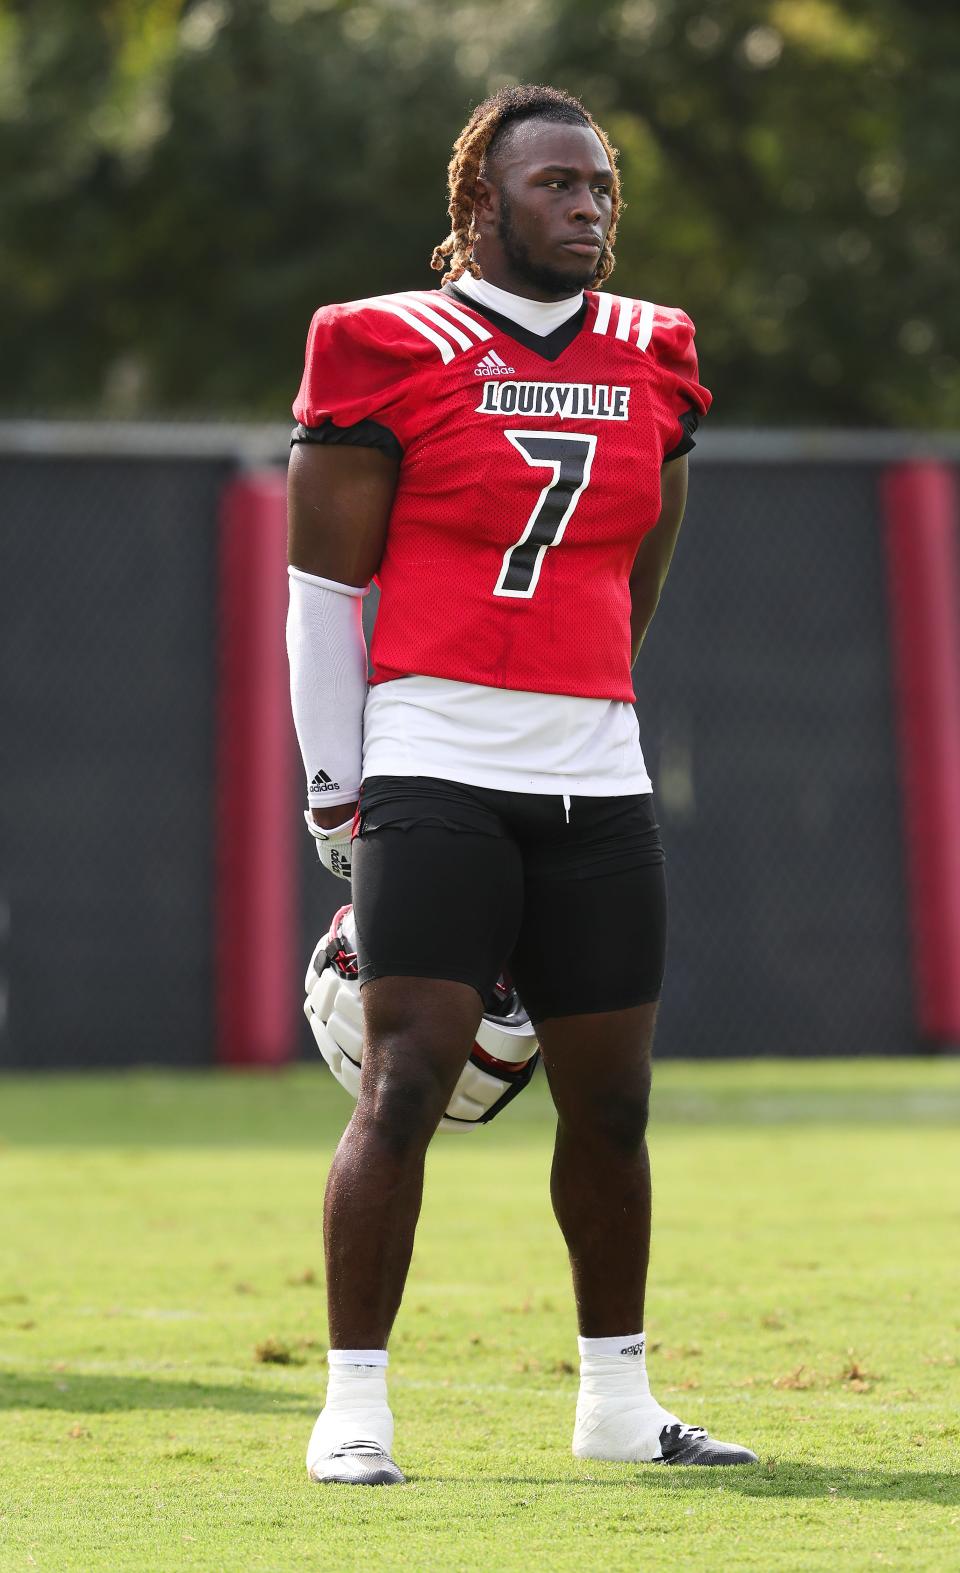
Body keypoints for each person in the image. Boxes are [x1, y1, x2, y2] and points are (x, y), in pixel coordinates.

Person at [286, 83, 758, 1486]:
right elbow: (323, 594)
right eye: (558, 183)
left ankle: (617, 1400)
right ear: (478, 203)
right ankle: (353, 1403)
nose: (591, 207)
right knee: (408, 1077)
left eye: (603, 186)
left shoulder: (654, 348)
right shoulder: (381, 341)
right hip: (435, 755)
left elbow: (639, 574)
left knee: (612, 1103)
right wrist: (336, 792)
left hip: (594, 770)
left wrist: (588, 701)